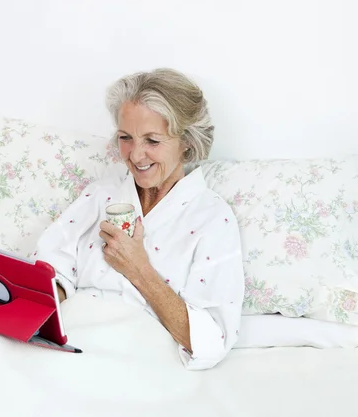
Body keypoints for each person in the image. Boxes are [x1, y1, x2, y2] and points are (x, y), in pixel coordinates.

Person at [34, 68, 244, 371]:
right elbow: (51, 269)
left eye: (152, 141)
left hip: (136, 358)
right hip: (68, 339)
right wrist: (46, 309)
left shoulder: (211, 218)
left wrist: (139, 270)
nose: (135, 155)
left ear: (186, 140)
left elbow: (211, 341)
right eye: (125, 138)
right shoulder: (102, 194)